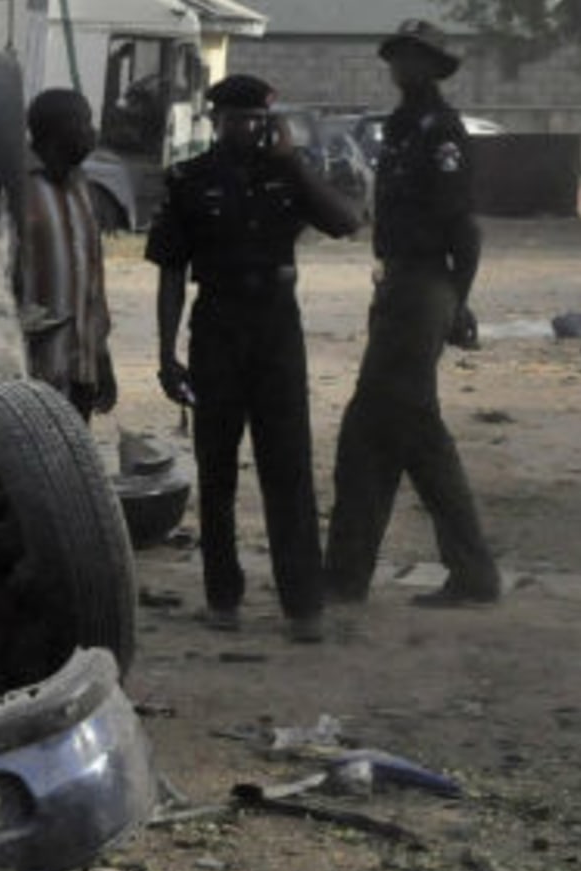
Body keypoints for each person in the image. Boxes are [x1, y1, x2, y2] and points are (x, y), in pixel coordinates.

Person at [144, 74, 361, 642]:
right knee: (216, 472)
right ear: (216, 121)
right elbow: (170, 273)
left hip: (276, 331)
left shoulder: (287, 175)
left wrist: (293, 164)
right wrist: (166, 353)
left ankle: (303, 605)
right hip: (216, 328)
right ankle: (223, 597)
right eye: (238, 119)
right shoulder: (189, 180)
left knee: (287, 466)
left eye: (259, 120)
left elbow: (346, 222)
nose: (249, 129)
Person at [323, 20, 501, 607]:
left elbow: (464, 229)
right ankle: (470, 575)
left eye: (413, 58)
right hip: (399, 282)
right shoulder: (400, 128)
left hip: (424, 286)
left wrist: (458, 302)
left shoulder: (440, 130)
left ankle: (346, 578)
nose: (400, 66)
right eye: (396, 56)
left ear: (433, 67)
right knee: (413, 434)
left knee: (374, 430)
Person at [18, 89, 115, 420]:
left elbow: (93, 281)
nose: (92, 133)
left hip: (80, 373)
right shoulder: (16, 187)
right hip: (31, 376)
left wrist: (101, 358)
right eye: (85, 123)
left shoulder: (82, 186)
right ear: (57, 129)